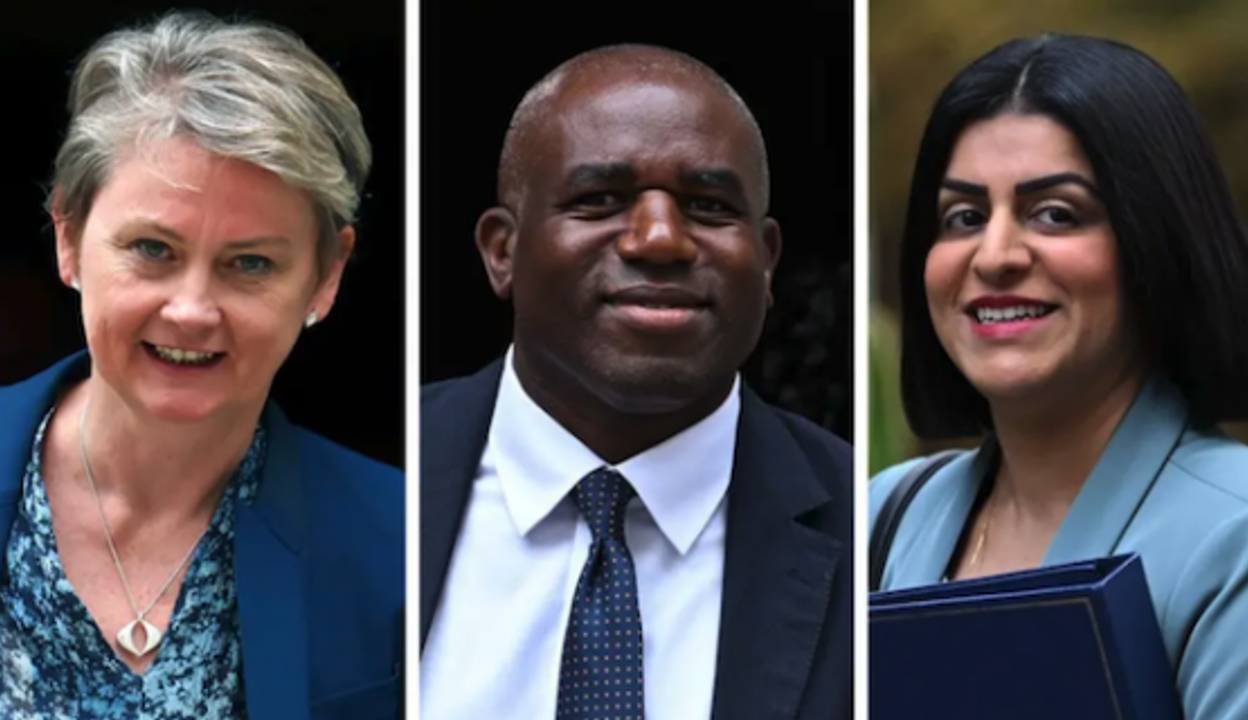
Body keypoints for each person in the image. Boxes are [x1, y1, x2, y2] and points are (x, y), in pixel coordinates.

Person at [419, 44, 852, 719]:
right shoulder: (380, 486)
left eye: (708, 206)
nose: (659, 239)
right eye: (600, 200)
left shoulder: (871, 535)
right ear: (503, 251)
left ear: (766, 265)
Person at [0, 11, 403, 719]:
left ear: (325, 276)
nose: (192, 310)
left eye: (250, 264)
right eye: (153, 249)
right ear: (68, 236)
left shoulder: (406, 541)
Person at [870, 33, 1248, 719]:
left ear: (1157, 240)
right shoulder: (883, 518)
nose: (995, 254)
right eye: (964, 217)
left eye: (1055, 213)